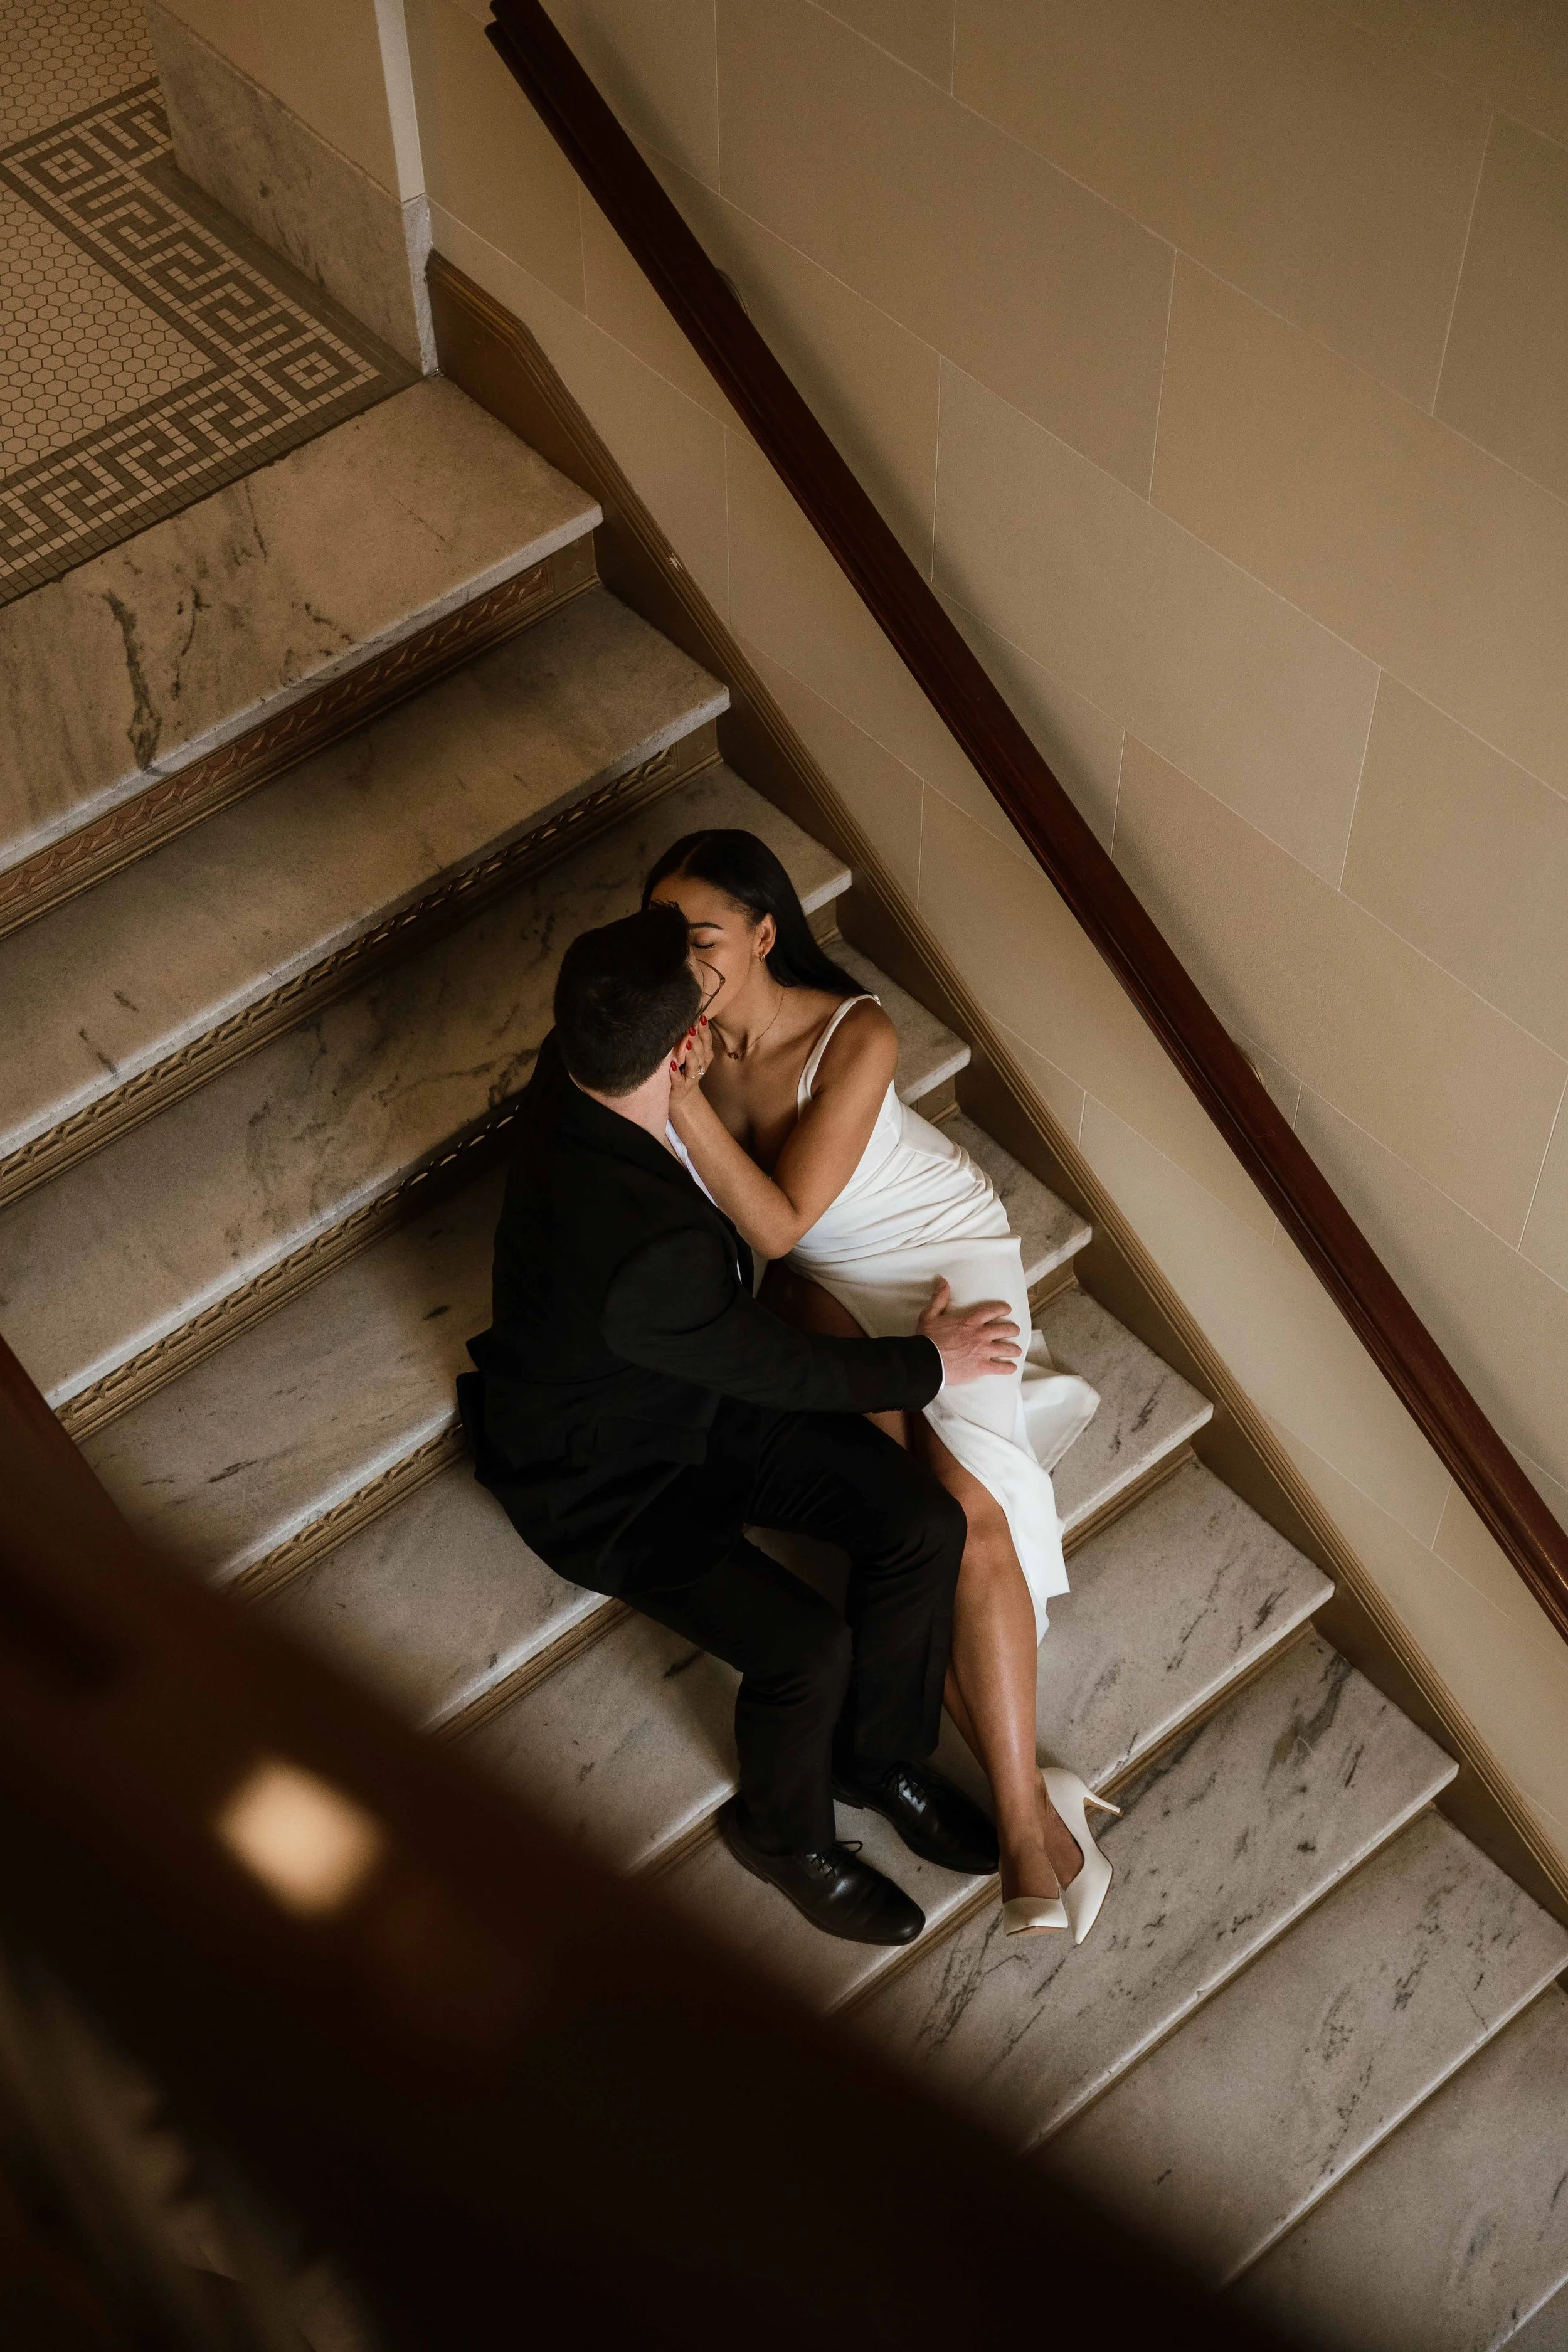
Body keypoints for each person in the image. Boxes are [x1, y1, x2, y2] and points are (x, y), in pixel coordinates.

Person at [458, 901, 1026, 1949]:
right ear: (684, 1050)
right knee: (805, 1648)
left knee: (923, 1525)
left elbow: (732, 1351)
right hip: (609, 1481)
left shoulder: (583, 1061)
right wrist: (928, 1363)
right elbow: (783, 1365)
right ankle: (783, 1835)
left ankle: (879, 1755)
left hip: (691, 1396)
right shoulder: (642, 1254)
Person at [645, 832, 1116, 1943]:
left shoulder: (856, 1031)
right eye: (664, 938)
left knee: (964, 1505)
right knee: (903, 1515)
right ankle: (1033, 1802)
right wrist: (682, 1080)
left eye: (703, 936)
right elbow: (770, 1247)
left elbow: (775, 1216)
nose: (684, 960)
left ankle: (1018, 1823)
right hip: (817, 1280)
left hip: (935, 1254)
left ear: (765, 933)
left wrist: (682, 1094)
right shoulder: (692, 1038)